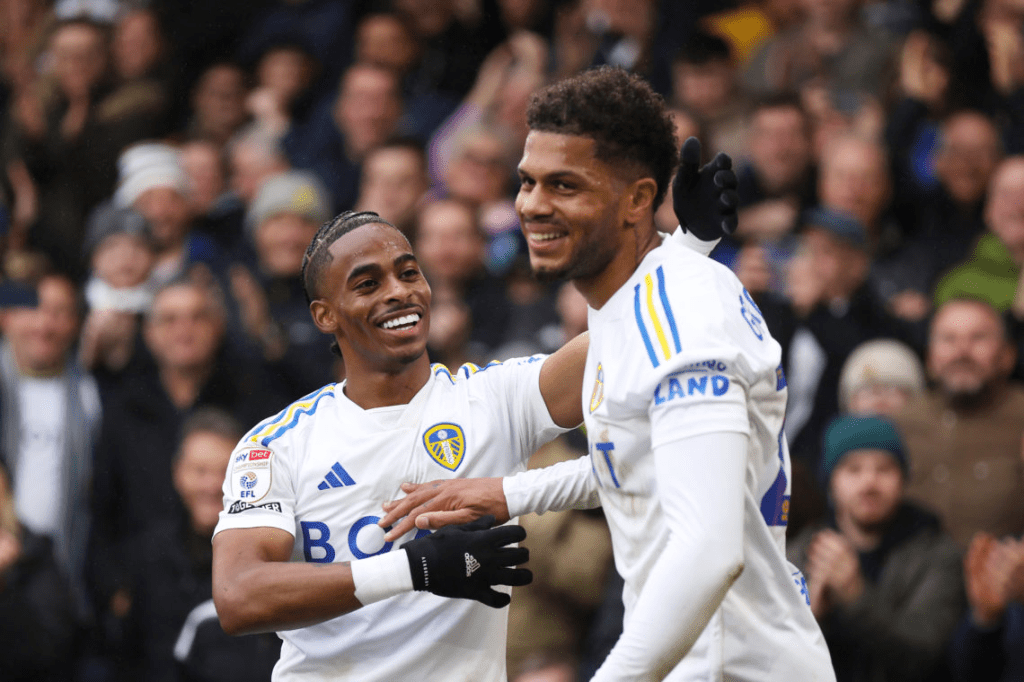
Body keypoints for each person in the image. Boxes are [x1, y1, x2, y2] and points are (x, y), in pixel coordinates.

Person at [211, 114, 739, 679]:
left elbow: (626, 339)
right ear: (324, 315)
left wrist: (688, 249)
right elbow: (238, 596)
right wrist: (412, 570)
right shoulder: (277, 444)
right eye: (367, 284)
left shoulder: (494, 399)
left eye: (408, 273)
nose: (398, 292)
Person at [381, 66, 834, 680]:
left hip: (731, 666)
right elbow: (644, 458)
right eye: (528, 181)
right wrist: (509, 493)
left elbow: (709, 552)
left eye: (564, 186)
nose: (532, 205)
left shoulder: (678, 316)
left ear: (639, 200)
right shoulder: (636, 305)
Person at [788, 415, 965, 681]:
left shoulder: (937, 554)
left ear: (903, 479)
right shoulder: (801, 552)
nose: (869, 483)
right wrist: (811, 618)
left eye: (884, 469)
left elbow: (923, 656)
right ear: (831, 481)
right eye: (853, 469)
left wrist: (855, 596)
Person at [893, 297, 1024, 548]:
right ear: (930, 358)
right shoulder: (901, 423)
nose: (962, 352)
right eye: (948, 339)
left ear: (1007, 355)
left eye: (978, 338)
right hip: (913, 571)